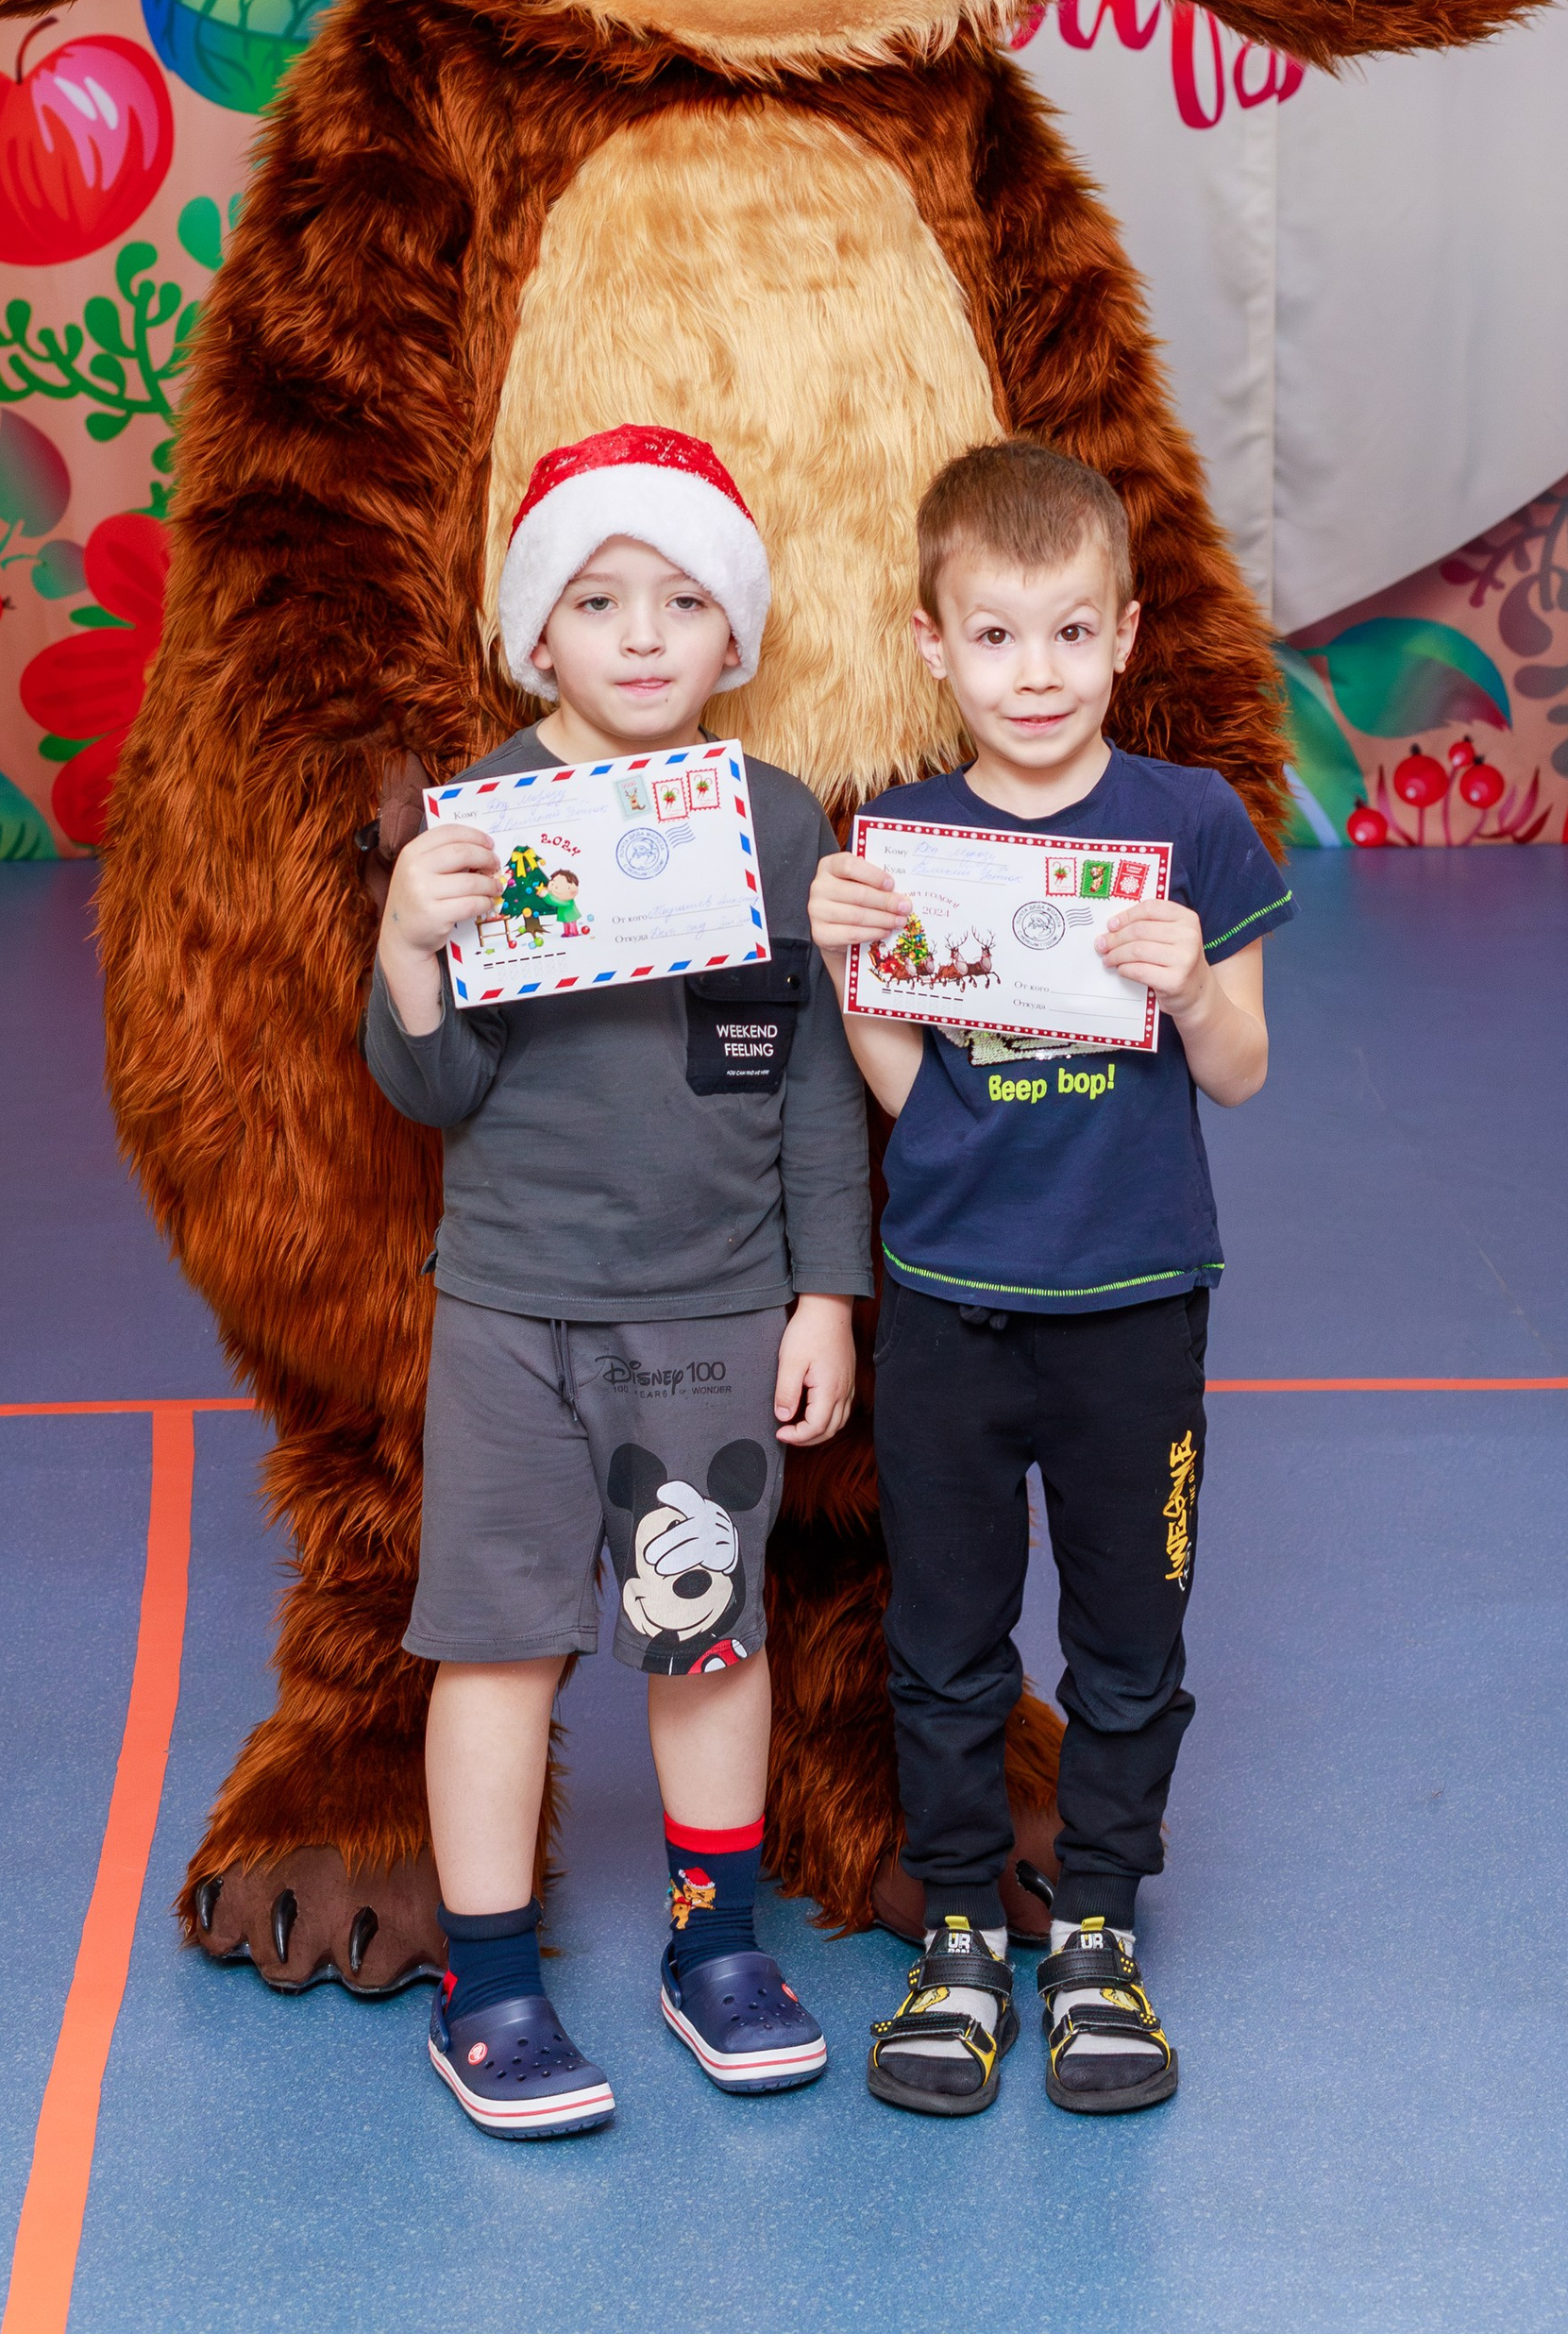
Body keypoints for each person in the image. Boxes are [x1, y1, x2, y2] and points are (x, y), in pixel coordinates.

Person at [365, 423, 872, 2140]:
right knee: (499, 1650)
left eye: (681, 600)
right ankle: (488, 1978)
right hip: (510, 1310)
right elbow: (432, 1096)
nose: (642, 633)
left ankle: (713, 1948)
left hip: (714, 1314)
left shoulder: (776, 819)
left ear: (737, 636)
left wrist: (824, 1293)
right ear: (537, 634)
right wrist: (408, 949)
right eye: (596, 598)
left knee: (702, 1640)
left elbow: (807, 1083)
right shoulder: (486, 822)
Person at [808, 438, 1290, 2122]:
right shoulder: (906, 838)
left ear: (1126, 638)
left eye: (1070, 635)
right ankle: (959, 1936)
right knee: (943, 1642)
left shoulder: (1187, 823)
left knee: (1128, 1644)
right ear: (934, 643)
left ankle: (1096, 1932)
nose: (1035, 673)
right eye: (997, 636)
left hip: (1139, 1310)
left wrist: (1188, 990)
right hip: (950, 1301)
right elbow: (895, 1084)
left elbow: (1240, 1071)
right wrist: (853, 959)